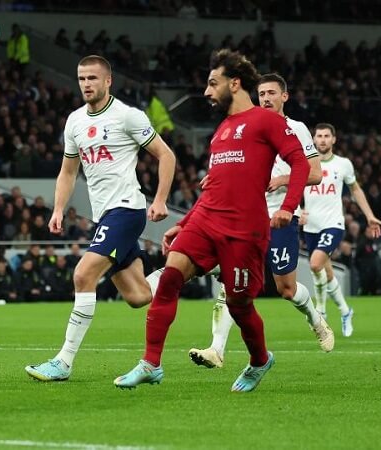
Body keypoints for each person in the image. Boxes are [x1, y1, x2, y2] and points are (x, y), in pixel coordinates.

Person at [115, 49, 310, 391]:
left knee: (238, 304)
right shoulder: (221, 129)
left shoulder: (269, 121)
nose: (206, 91)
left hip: (244, 230)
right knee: (171, 275)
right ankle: (151, 363)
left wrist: (288, 207)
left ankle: (260, 359)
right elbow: (215, 185)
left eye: (212, 83)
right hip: (206, 220)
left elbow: (302, 164)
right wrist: (186, 221)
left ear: (234, 84)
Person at [25, 55, 176, 382]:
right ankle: (190, 266)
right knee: (138, 297)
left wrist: (161, 199)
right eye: (81, 79)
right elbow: (68, 170)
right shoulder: (75, 121)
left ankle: (63, 362)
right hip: (104, 214)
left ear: (108, 81)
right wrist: (58, 208)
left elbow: (166, 154)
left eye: (93, 78)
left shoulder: (127, 116)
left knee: (83, 275)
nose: (86, 84)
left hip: (127, 209)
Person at [187, 73, 332, 371]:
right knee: (229, 284)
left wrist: (281, 178)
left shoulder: (296, 128)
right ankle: (216, 349)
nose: (265, 98)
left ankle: (317, 320)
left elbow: (315, 173)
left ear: (284, 97)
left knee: (286, 289)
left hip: (279, 219)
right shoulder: (248, 125)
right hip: (242, 218)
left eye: (271, 93)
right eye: (261, 93)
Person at [302, 123, 381, 337]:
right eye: (318, 136)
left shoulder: (343, 164)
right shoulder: (305, 163)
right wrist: (296, 210)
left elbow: (356, 190)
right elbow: (291, 188)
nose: (322, 140)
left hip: (333, 224)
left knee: (315, 264)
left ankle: (320, 310)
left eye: (326, 136)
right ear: (314, 139)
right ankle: (346, 311)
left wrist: (369, 216)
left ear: (334, 139)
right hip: (310, 226)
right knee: (325, 272)